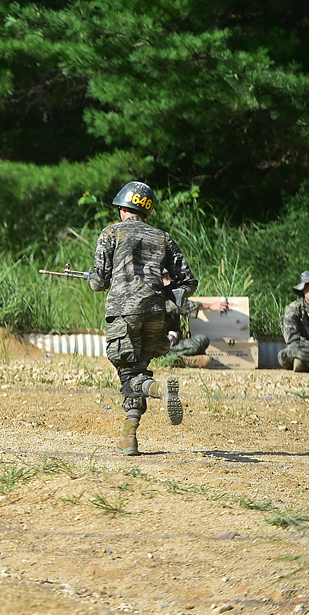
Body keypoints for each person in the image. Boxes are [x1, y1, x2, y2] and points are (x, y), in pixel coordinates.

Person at [87, 181, 197, 456]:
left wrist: (93, 278)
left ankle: (158, 389)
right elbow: (188, 281)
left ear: (123, 208)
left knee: (128, 373)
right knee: (138, 369)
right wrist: (164, 293)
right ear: (146, 211)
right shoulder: (162, 237)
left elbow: (99, 282)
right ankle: (128, 438)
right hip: (154, 313)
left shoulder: (111, 233)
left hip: (124, 313)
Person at [162, 270, 229, 368]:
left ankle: (174, 358)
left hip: (168, 346)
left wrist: (172, 336)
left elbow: (175, 328)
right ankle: (174, 359)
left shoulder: (169, 294)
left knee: (202, 340)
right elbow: (180, 305)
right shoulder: (153, 296)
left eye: (169, 276)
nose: (168, 281)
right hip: (152, 347)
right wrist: (210, 306)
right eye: (164, 276)